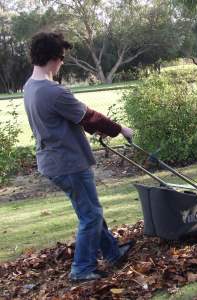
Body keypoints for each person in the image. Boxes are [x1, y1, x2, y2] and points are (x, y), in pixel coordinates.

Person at [23, 32, 135, 282]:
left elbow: (68, 118)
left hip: (53, 161)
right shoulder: (52, 92)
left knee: (90, 209)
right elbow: (89, 117)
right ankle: (82, 269)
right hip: (68, 163)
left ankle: (113, 252)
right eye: (62, 58)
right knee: (91, 215)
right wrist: (121, 129)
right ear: (53, 58)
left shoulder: (29, 87)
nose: (62, 62)